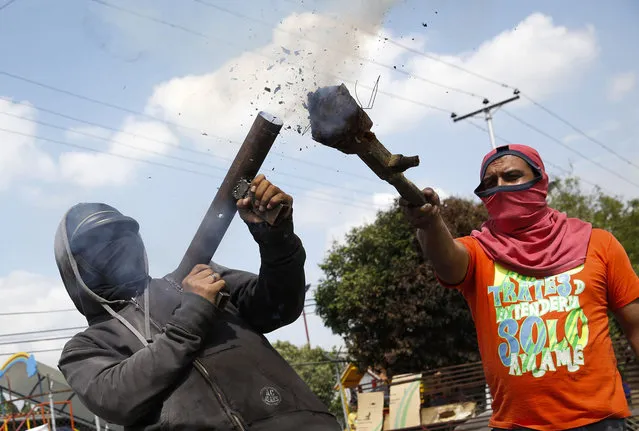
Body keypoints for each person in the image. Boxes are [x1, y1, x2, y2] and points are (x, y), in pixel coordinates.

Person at [54, 174, 341, 430]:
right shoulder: (85, 348)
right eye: (97, 243)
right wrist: (194, 311)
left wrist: (276, 237)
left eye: (121, 234)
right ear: (73, 268)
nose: (115, 246)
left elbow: (279, 306)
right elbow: (117, 398)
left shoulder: (197, 274)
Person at [400, 144, 639, 431]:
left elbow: (636, 326)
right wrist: (430, 223)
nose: (500, 187)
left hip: (599, 423)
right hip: (516, 425)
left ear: (541, 181)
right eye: (490, 183)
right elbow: (447, 261)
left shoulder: (598, 244)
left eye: (512, 177)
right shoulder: (479, 252)